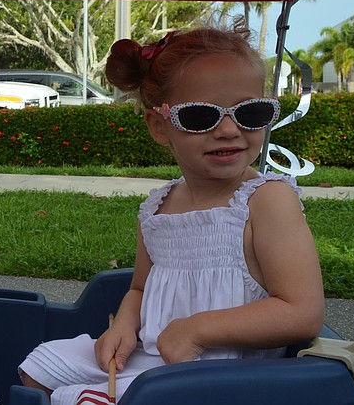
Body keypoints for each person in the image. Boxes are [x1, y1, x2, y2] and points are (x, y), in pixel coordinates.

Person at [18, 25, 325, 404]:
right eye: (200, 117)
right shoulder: (158, 206)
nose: (229, 130)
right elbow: (140, 288)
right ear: (159, 126)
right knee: (41, 367)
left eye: (251, 112)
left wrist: (198, 330)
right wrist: (126, 325)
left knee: (84, 399)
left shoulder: (264, 201)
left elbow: (303, 311)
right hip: (155, 353)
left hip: (226, 372)